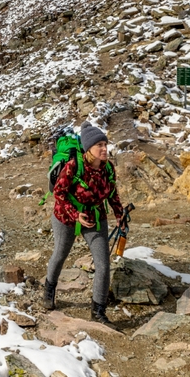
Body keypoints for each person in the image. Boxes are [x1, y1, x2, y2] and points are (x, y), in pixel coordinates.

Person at [42, 121, 126, 326]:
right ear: (89, 148)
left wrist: (119, 214)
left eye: (106, 144)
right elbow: (59, 193)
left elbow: (112, 192)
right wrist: (74, 215)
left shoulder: (108, 168)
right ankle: (49, 288)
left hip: (95, 217)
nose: (105, 149)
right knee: (60, 254)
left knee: (103, 264)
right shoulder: (73, 166)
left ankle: (98, 310)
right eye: (100, 146)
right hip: (66, 217)